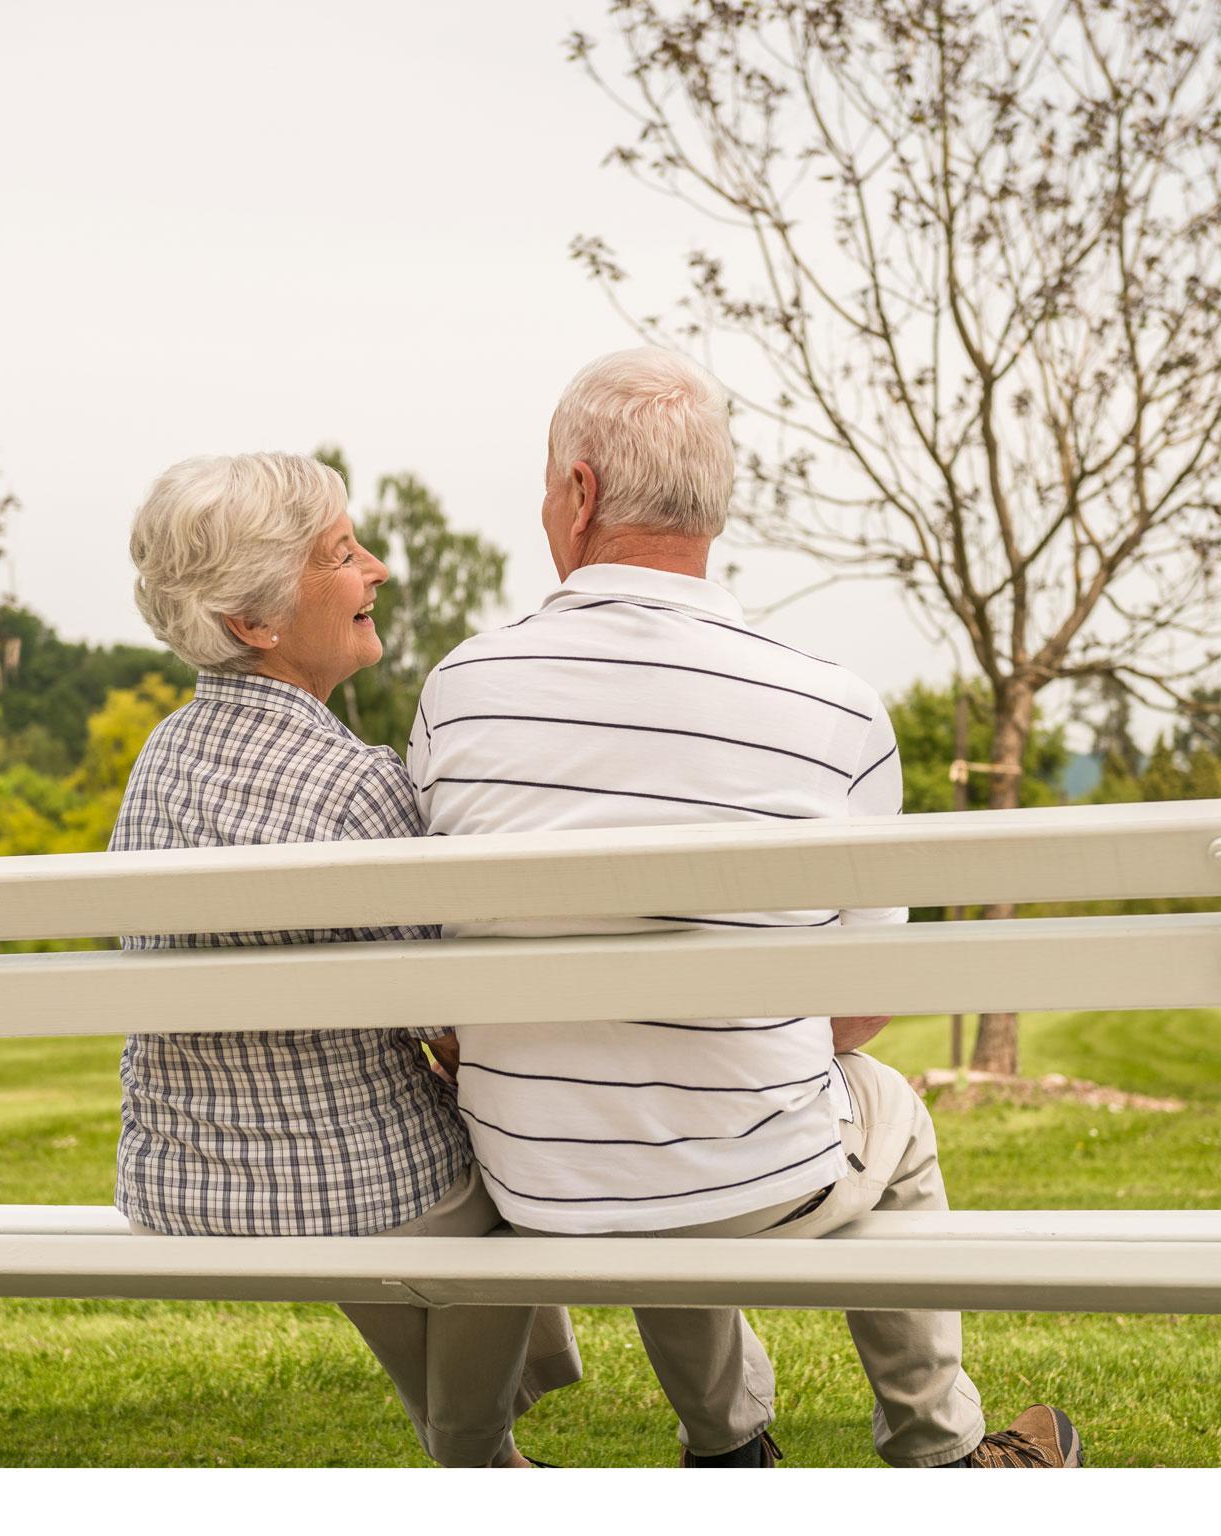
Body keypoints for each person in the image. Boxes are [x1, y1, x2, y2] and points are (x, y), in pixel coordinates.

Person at [408, 349, 1082, 1469]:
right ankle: (939, 1449)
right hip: (740, 1174)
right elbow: (862, 1009)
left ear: (576, 493)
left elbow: (438, 965)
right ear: (711, 504)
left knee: (679, 1105)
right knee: (868, 1113)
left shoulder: (461, 688)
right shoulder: (831, 706)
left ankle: (728, 1443)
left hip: (535, 1174)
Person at [111, 450, 581, 1467]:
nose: (376, 571)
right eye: (343, 554)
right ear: (255, 622)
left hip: (177, 1179)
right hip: (349, 1187)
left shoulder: (155, 760)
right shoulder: (353, 785)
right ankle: (474, 1452)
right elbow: (448, 1020)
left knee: (373, 1171)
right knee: (518, 1181)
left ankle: (486, 1453)